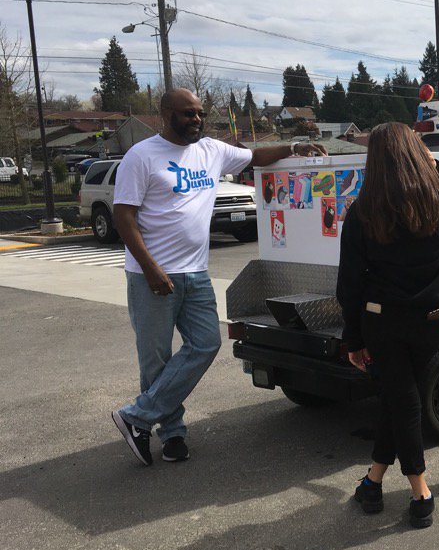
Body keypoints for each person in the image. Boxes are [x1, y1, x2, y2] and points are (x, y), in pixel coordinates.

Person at [111, 88, 327, 466]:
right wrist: (150, 267)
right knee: (156, 360)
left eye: (198, 113)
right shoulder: (141, 157)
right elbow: (124, 215)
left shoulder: (211, 149)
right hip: (152, 275)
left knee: (207, 343)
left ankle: (137, 417)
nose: (195, 119)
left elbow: (255, 155)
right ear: (165, 114)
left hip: (195, 272)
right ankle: (172, 434)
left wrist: (295, 148)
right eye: (186, 114)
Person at [338, 123, 439, 528]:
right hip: (430, 322)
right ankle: (372, 480)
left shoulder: (362, 212)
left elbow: (350, 283)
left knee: (404, 400)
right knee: (402, 398)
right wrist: (436, 165)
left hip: (382, 321)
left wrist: (352, 337)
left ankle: (421, 491)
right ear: (417, 156)